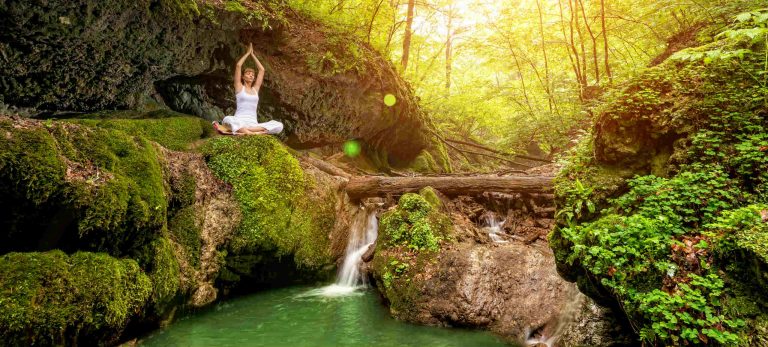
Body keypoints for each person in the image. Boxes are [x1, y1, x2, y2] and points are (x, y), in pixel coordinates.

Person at [213, 43, 284, 136]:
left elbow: (262, 70)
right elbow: (238, 65)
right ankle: (253, 134)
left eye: (253, 75)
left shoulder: (255, 89)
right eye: (248, 73)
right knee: (227, 119)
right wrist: (247, 53)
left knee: (279, 125)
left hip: (253, 124)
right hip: (239, 121)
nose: (251, 75)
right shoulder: (239, 87)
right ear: (243, 76)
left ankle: (245, 131)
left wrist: (253, 55)